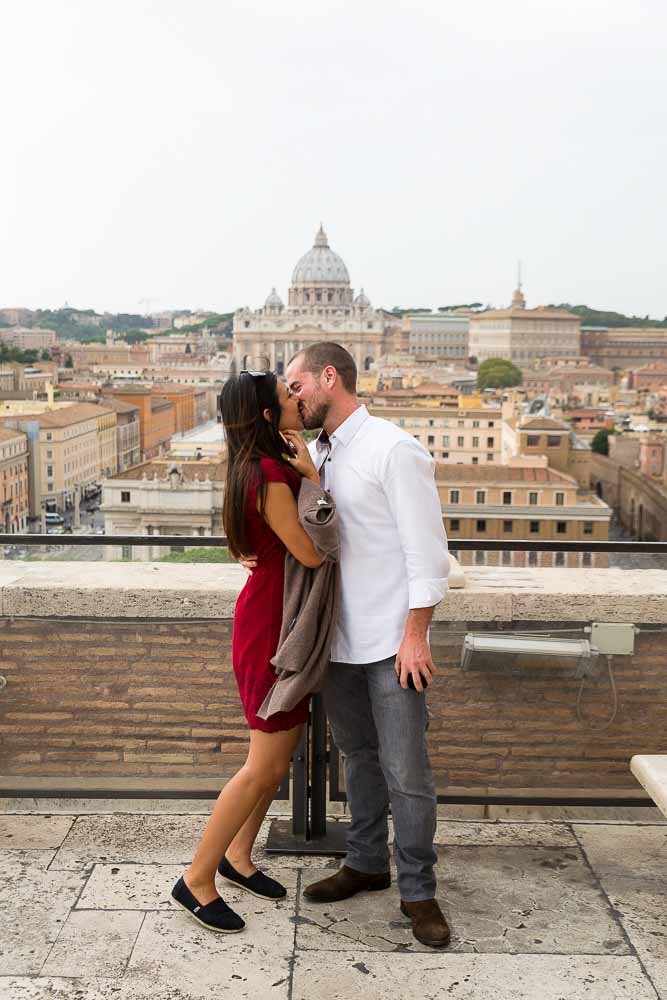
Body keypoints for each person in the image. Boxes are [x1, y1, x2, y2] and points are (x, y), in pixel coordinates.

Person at [286, 342, 451, 948]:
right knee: (358, 758)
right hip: (338, 641)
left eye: (296, 384)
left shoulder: (394, 449)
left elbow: (427, 554)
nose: (291, 396)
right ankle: (365, 862)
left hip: (390, 642)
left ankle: (419, 892)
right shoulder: (316, 454)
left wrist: (415, 636)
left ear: (330, 377)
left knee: (408, 771)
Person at [171, 366, 330, 934]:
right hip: (272, 628)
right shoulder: (273, 473)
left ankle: (239, 858)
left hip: (267, 614)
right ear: (268, 415)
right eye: (287, 395)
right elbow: (311, 554)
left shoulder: (248, 466)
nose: (296, 397)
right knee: (260, 767)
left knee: (275, 762)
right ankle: (196, 878)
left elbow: (261, 543)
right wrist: (313, 477)